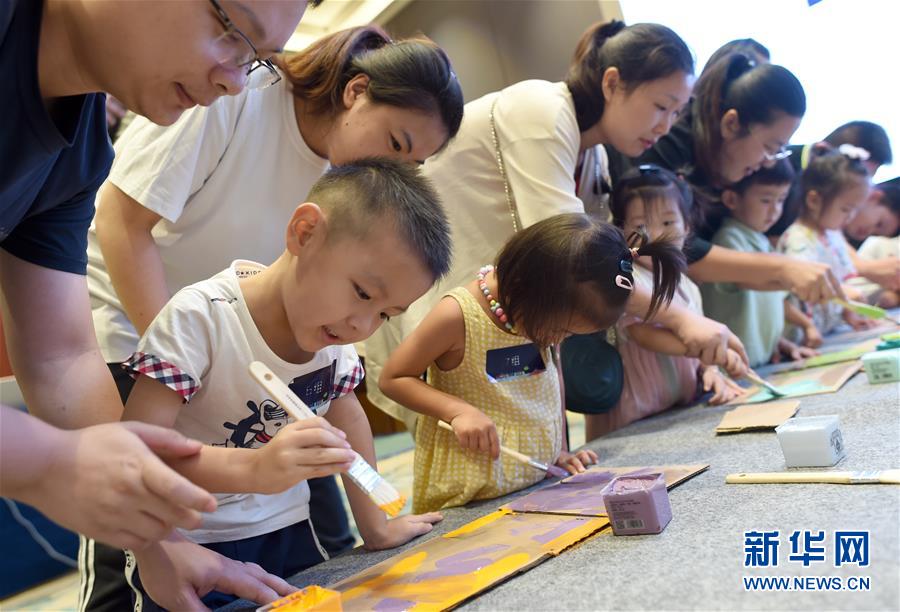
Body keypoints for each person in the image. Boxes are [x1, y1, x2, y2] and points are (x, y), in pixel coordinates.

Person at [82, 25, 463, 610]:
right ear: (356, 92)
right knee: (132, 547)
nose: (397, 170)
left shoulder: (343, 289)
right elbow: (121, 222)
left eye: (414, 162)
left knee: (314, 549)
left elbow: (345, 422)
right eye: (396, 142)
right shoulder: (235, 94)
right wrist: (204, 354)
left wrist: (376, 521)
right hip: (163, 337)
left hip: (270, 342)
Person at [1, 0, 310, 608]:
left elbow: (61, 357)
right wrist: (52, 463)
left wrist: (159, 541)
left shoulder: (77, 153)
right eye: (230, 30)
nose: (233, 80)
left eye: (255, 60)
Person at [367, 20, 751, 429]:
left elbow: (604, 262)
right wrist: (682, 318)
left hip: (509, 326)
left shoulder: (594, 156)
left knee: (528, 442)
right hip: (452, 316)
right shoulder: (541, 111)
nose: (666, 126)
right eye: (661, 106)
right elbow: (579, 261)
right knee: (469, 442)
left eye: (676, 113)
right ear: (612, 83)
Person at [119, 159, 451, 610]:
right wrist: (254, 469)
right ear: (305, 232)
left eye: (385, 315)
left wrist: (375, 525)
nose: (363, 325)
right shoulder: (201, 318)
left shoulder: (333, 337)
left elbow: (350, 421)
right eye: (362, 293)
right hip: (188, 542)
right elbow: (137, 452)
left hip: (289, 527)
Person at [380, 213, 687, 511]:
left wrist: (559, 450)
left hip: (533, 482)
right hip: (468, 496)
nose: (557, 340)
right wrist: (457, 411)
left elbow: (551, 380)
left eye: (569, 334)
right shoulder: (457, 316)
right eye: (561, 330)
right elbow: (394, 378)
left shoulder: (542, 313)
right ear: (529, 287)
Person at [612, 52, 844, 308]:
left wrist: (792, 274)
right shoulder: (668, 146)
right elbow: (671, 245)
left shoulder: (728, 165)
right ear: (731, 124)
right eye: (770, 147)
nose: (769, 162)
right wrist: (782, 267)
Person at [585, 167, 744, 441]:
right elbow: (642, 334)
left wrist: (710, 369)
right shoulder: (630, 280)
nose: (656, 235)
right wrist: (706, 351)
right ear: (621, 232)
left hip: (674, 410)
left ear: (687, 227)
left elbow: (699, 334)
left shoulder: (688, 285)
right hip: (634, 414)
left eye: (668, 223)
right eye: (641, 226)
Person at [702, 160, 820, 368]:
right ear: (731, 199)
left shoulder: (762, 241)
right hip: (734, 365)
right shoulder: (729, 239)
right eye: (766, 200)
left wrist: (790, 336)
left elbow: (776, 300)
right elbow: (753, 281)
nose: (775, 210)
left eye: (781, 200)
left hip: (760, 362)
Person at [777, 148, 879, 337]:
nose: (850, 217)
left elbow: (840, 280)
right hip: (803, 335)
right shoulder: (798, 239)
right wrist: (844, 293)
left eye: (855, 210)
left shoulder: (833, 235)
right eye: (845, 209)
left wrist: (849, 314)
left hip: (827, 331)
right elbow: (803, 285)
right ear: (814, 200)